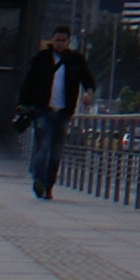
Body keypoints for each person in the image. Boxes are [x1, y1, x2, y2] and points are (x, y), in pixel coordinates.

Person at [19, 25, 92, 199]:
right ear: (52, 40)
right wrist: (22, 104)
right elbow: (29, 82)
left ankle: (48, 186)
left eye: (63, 40)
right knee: (43, 146)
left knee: (56, 153)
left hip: (63, 113)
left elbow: (88, 80)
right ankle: (38, 179)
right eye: (57, 40)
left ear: (69, 41)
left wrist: (88, 93)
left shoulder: (76, 60)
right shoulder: (42, 58)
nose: (59, 43)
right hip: (43, 110)